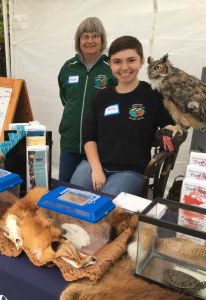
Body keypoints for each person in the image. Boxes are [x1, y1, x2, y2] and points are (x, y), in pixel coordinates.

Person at [70, 36, 174, 196]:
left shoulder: (153, 95)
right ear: (110, 64)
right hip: (94, 164)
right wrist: (96, 169)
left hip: (130, 171)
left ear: (141, 61)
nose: (124, 67)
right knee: (72, 196)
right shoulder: (101, 96)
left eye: (131, 60)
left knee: (106, 204)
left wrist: (171, 131)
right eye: (117, 61)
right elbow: (89, 136)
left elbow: (171, 126)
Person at [58, 17, 116, 182]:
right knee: (63, 188)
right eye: (85, 36)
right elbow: (65, 98)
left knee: (89, 193)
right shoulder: (68, 67)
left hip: (99, 146)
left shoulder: (110, 68)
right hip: (70, 142)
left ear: (102, 39)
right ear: (79, 40)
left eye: (95, 36)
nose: (90, 41)